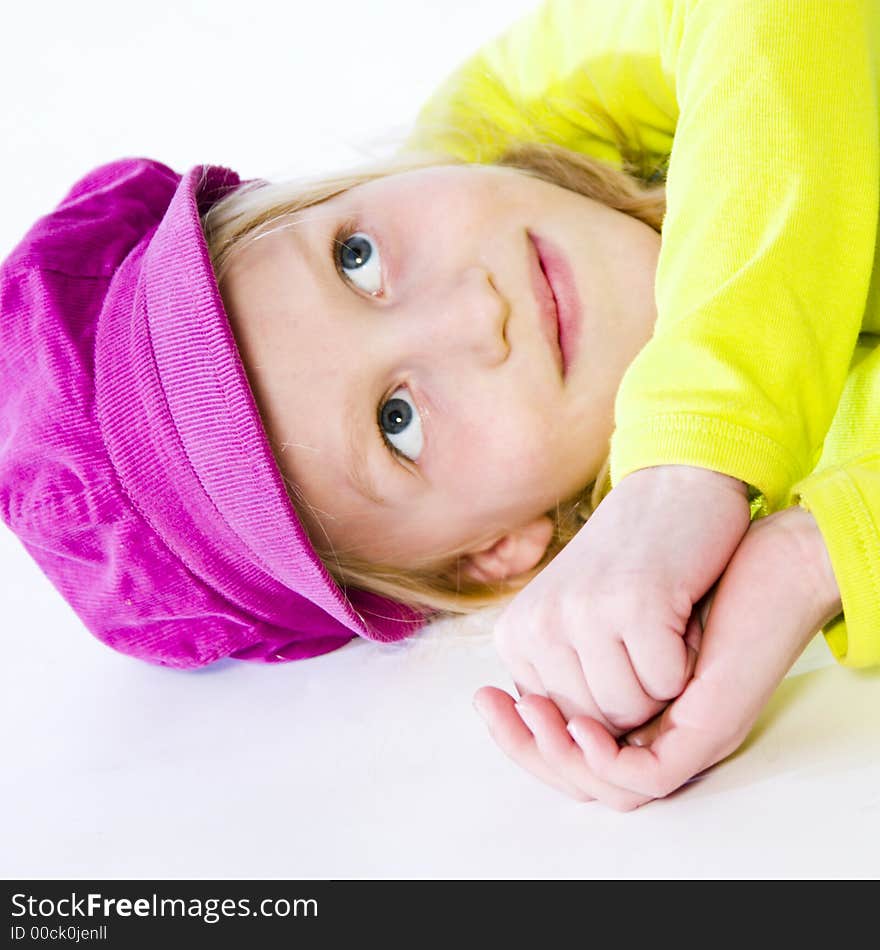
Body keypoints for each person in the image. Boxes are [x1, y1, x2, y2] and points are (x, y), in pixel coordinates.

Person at [0, 0, 876, 809]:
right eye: (398, 422)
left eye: (356, 258)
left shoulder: (515, 123)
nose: (475, 309)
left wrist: (692, 459)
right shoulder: (747, 516)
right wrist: (813, 560)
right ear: (491, 555)